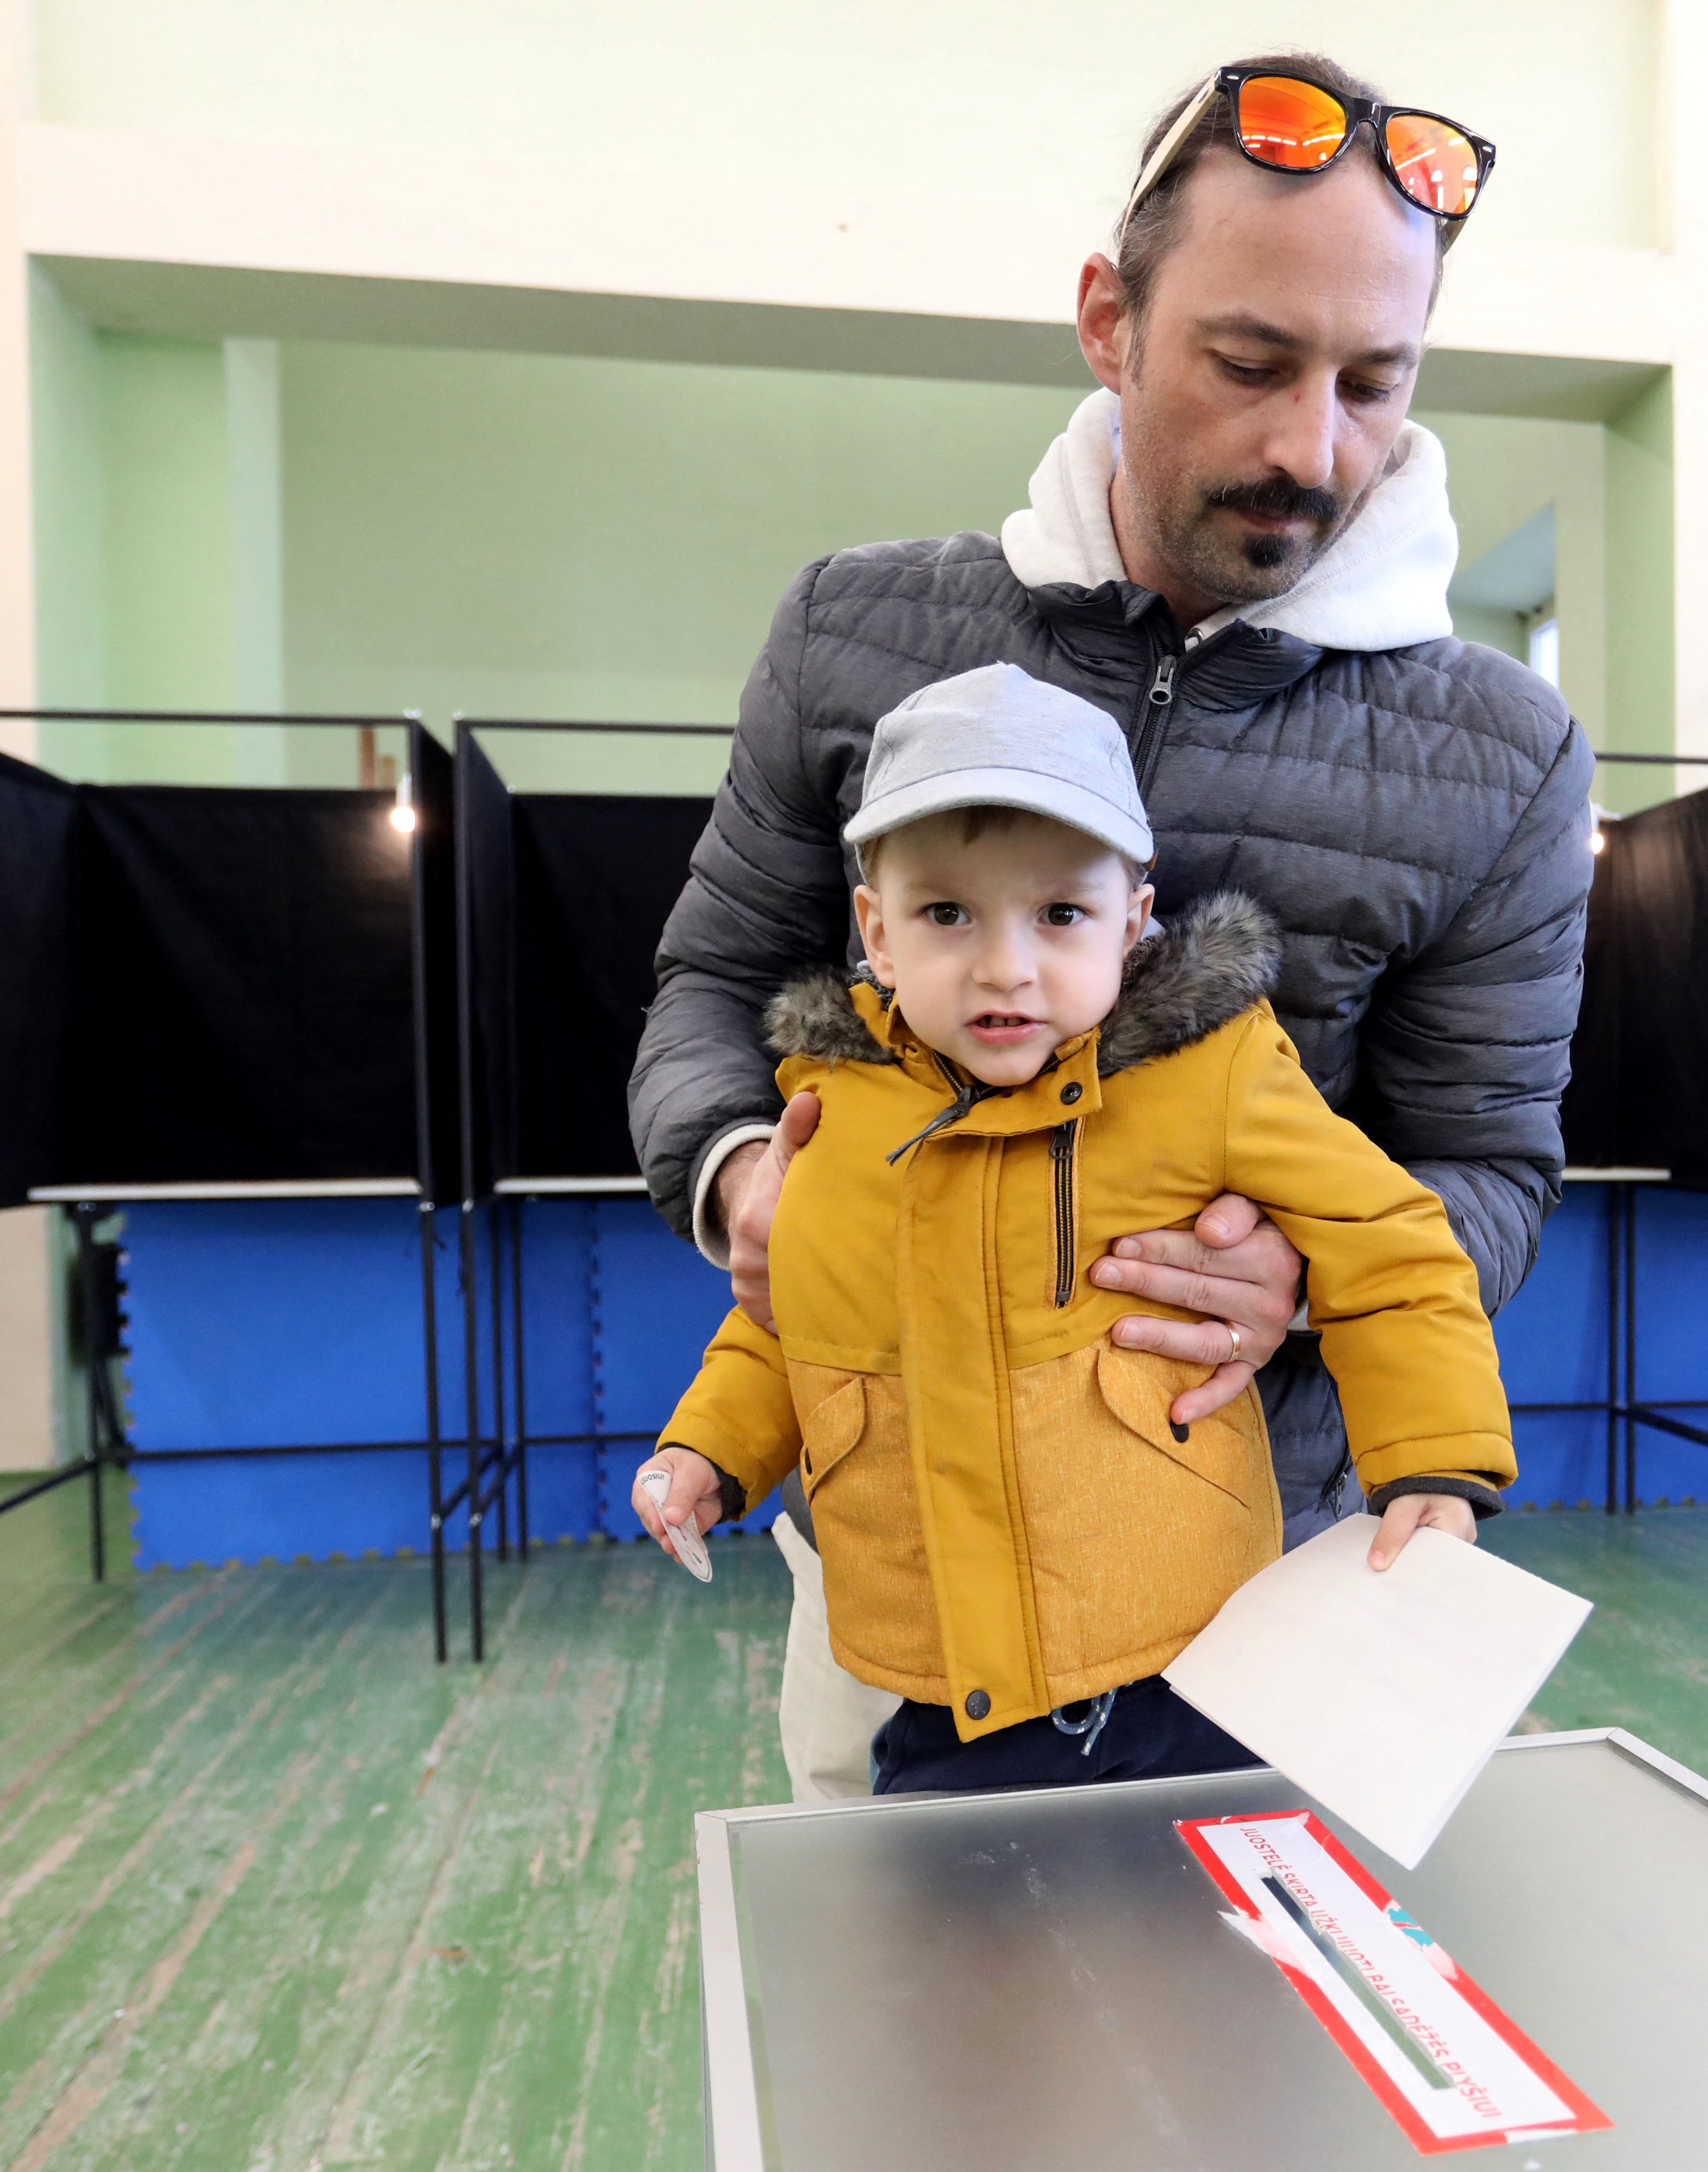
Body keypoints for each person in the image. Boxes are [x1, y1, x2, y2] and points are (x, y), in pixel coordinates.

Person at [630, 53, 1591, 1800]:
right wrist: (741, 1178)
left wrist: (1296, 1279)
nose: (1313, 447)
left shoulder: (1503, 752)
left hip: (1275, 1581)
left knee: (1249, 2053)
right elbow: (711, 977)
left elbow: (1490, 1170)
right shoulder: (854, 631)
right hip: (901, 1568)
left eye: (1375, 385)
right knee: (914, 2030)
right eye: (1249, 363)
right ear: (1107, 322)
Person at [634, 663, 1515, 1791]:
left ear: (1134, 921)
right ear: (878, 932)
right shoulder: (836, 1111)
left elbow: (1394, 1249)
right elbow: (793, 1317)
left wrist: (1435, 1464)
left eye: (1061, 914)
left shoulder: (1220, 1074)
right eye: (947, 913)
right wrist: (710, 1448)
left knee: (1210, 1938)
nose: (1007, 965)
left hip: (1194, 1665)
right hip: (937, 1682)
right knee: (953, 1950)